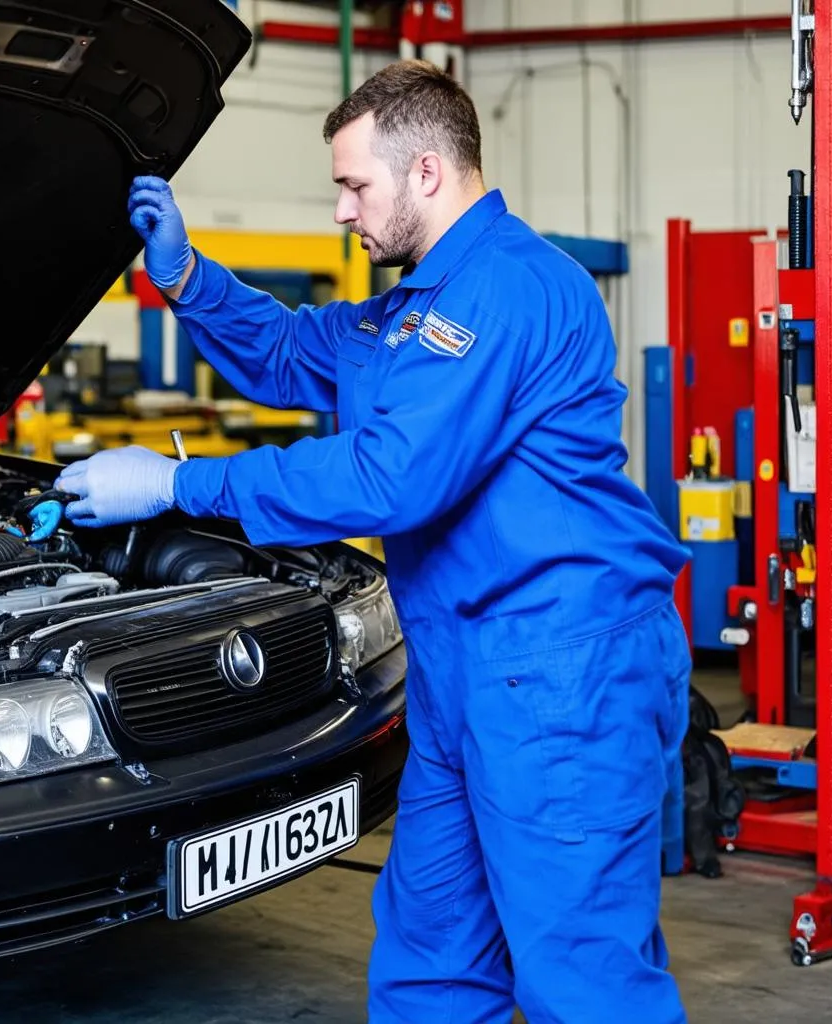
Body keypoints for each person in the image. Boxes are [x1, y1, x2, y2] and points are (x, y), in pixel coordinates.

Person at [56, 60, 692, 1024]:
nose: (344, 213)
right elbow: (287, 351)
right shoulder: (407, 314)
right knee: (432, 952)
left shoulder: (510, 290)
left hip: (563, 673)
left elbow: (389, 476)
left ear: (427, 171)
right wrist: (186, 276)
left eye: (355, 186)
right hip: (460, 673)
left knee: (581, 976)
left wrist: (176, 481)